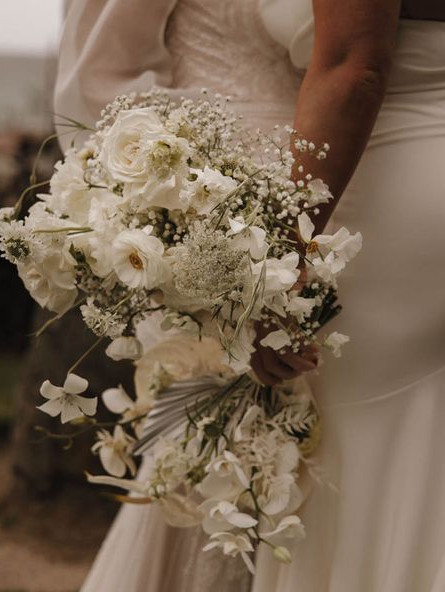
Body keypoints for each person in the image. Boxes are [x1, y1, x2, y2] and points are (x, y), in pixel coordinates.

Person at [54, 1, 445, 590]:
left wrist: (265, 282)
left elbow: (353, 66)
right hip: (393, 190)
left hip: (392, 196)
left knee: (366, 478)